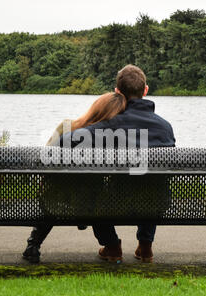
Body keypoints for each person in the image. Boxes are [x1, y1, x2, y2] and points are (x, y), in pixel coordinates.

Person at [61, 65, 176, 263]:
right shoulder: (165, 127)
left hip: (116, 202)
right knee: (153, 185)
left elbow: (65, 141)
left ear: (117, 92)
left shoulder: (112, 125)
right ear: (145, 90)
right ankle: (145, 246)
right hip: (157, 203)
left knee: (94, 189)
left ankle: (112, 246)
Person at [22, 92, 127, 263]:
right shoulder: (113, 139)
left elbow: (45, 163)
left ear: (95, 108)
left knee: (56, 192)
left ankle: (33, 245)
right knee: (96, 196)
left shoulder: (66, 126)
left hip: (55, 200)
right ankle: (113, 245)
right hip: (91, 205)